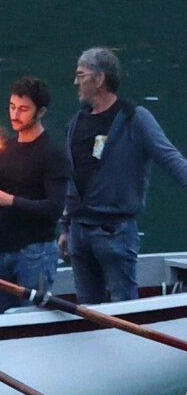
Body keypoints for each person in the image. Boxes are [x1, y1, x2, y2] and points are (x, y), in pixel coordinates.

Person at [61, 47, 187, 304]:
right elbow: (71, 178)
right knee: (87, 311)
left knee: (125, 306)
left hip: (114, 232)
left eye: (81, 75)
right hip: (78, 232)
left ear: (99, 79)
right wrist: (65, 227)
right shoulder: (76, 121)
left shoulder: (135, 118)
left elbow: (170, 158)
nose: (76, 82)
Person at [0, 76, 73, 310]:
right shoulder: (5, 149)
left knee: (30, 316)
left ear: (40, 112)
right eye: (12, 107)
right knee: (2, 317)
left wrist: (10, 201)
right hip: (4, 248)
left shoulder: (52, 153)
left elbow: (54, 208)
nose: (15, 114)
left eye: (23, 109)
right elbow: (0, 196)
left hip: (36, 251)